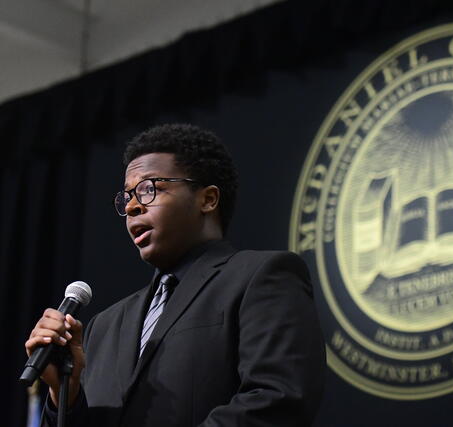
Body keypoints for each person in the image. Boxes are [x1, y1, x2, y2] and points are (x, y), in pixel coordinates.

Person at [24, 123, 326, 426]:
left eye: (148, 189)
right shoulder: (103, 326)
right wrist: (65, 392)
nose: (131, 207)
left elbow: (278, 400)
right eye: (127, 195)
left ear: (207, 199)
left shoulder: (261, 277)